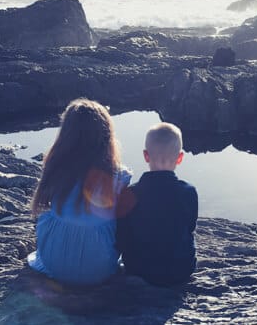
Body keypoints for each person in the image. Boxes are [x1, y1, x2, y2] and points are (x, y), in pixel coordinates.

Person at [27, 98, 131, 286]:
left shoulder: (56, 167)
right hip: (99, 269)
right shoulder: (118, 176)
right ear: (106, 137)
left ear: (66, 136)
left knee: (51, 217)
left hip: (54, 263)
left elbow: (45, 205)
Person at [117, 122, 198, 286]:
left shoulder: (130, 194)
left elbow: (122, 235)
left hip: (138, 269)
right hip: (180, 270)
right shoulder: (188, 192)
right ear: (180, 157)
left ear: (146, 156)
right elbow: (190, 227)